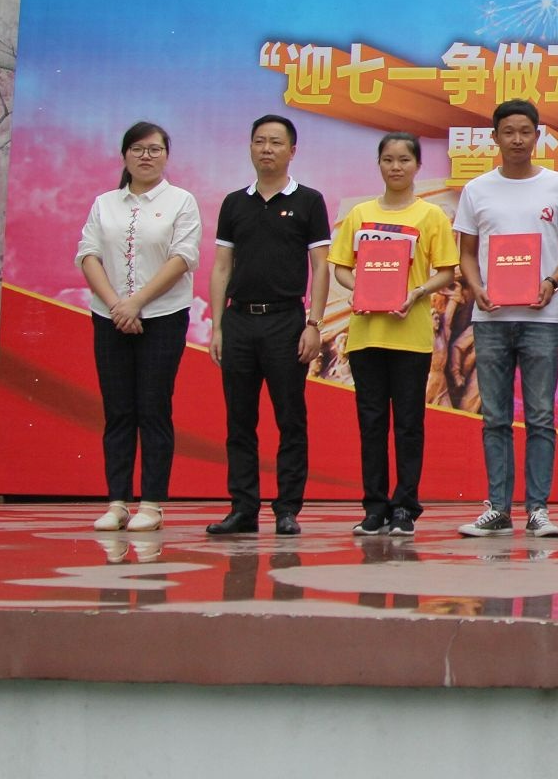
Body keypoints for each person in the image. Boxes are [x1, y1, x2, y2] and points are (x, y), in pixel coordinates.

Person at [453, 99, 558, 538]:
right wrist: (477, 287)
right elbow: (466, 253)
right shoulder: (477, 190)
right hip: (490, 319)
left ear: (537, 135)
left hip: (539, 319)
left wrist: (552, 281)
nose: (517, 139)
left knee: (541, 417)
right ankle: (497, 508)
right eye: (508, 132)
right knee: (494, 417)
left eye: (525, 131)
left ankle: (538, 509)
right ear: (494, 137)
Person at [327, 133, 458, 536]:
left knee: (408, 424)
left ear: (417, 165)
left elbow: (446, 272)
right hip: (366, 335)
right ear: (379, 164)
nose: (396, 167)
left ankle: (405, 506)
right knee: (371, 423)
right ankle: (374, 506)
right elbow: (341, 267)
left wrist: (417, 292)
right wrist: (361, 289)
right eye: (388, 159)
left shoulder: (431, 216)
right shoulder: (361, 214)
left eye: (404, 159)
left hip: (411, 334)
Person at [207, 115, 330, 536]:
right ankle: (243, 508)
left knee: (290, 418)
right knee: (239, 420)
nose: (266, 149)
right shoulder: (234, 203)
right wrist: (218, 326)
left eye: (276, 142)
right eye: (259, 141)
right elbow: (221, 267)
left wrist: (314, 323)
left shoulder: (309, 201)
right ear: (250, 147)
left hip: (286, 322)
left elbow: (320, 266)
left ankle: (287, 509)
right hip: (239, 321)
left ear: (292, 151)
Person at [76, 121, 202, 532]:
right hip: (109, 317)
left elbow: (182, 258)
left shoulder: (181, 201)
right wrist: (117, 305)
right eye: (138, 149)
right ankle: (117, 502)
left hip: (163, 316)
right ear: (124, 155)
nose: (146, 156)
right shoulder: (104, 203)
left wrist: (137, 302)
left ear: (166, 155)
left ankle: (151, 503)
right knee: (118, 410)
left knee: (153, 407)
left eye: (155, 149)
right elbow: (88, 255)